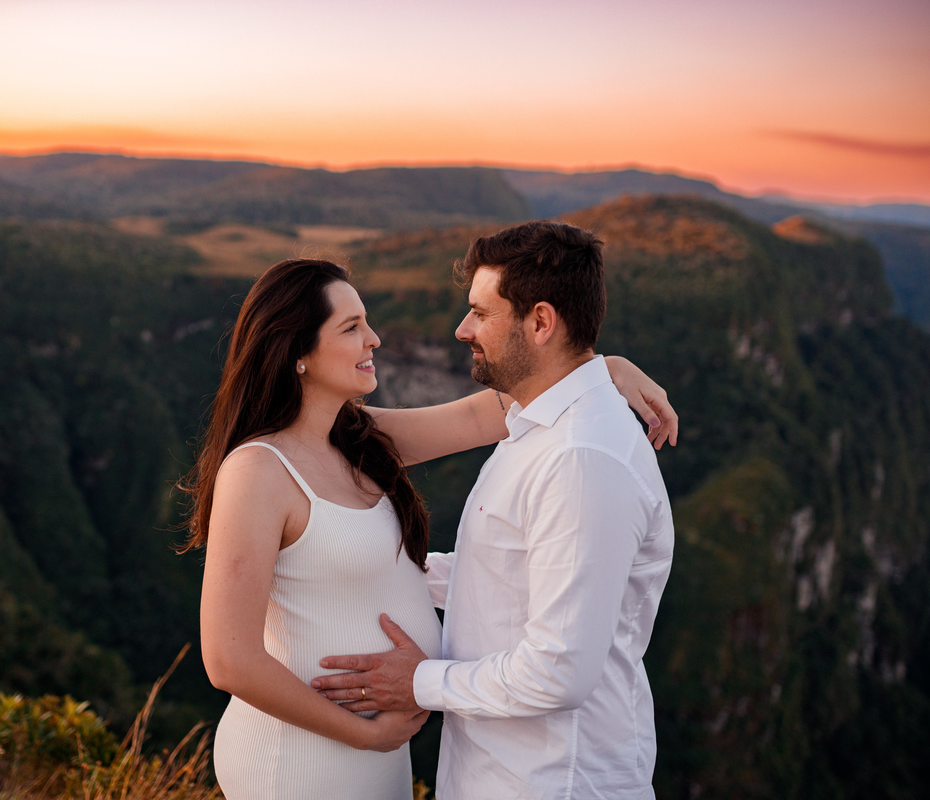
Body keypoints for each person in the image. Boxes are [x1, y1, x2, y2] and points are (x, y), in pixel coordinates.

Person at [182, 257, 676, 800]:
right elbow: (229, 659)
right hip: (301, 758)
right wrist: (366, 733)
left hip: (379, 755)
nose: (373, 339)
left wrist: (602, 370)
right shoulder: (258, 470)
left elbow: (484, 415)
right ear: (296, 351)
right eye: (351, 328)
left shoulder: (356, 441)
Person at [313, 222, 675, 799]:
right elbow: (505, 576)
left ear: (540, 322)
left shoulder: (581, 460)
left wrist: (419, 684)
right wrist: (371, 565)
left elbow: (559, 671)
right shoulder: (540, 423)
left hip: (553, 782)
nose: (462, 330)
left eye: (481, 313)